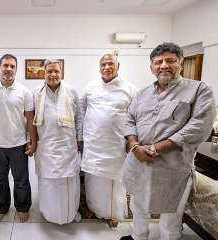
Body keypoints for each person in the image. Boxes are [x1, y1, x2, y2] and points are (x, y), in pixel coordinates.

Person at [120, 42, 216, 240]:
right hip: (139, 163)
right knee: (138, 209)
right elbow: (128, 118)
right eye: (158, 62)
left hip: (173, 169)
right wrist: (134, 145)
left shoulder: (199, 90)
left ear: (180, 63)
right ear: (152, 67)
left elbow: (199, 127)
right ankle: (139, 236)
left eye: (170, 60)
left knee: (170, 219)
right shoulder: (142, 93)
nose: (164, 65)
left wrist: (157, 148)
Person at [0, 54, 36, 223]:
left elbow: (31, 119)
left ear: (16, 70)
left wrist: (32, 142)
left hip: (18, 145)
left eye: (12, 66)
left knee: (21, 180)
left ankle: (23, 207)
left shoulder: (24, 92)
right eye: (6, 66)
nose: (8, 69)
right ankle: (1, 207)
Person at [80, 54, 136, 227]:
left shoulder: (129, 88)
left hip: (115, 144)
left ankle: (113, 214)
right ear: (99, 67)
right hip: (93, 142)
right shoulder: (90, 86)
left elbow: (135, 117)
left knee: (115, 182)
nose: (106, 67)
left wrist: (131, 141)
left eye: (110, 63)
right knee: (93, 180)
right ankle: (94, 208)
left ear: (118, 65)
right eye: (103, 64)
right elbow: (81, 112)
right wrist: (80, 138)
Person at [33, 59, 82, 224]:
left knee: (68, 182)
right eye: (49, 71)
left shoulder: (72, 91)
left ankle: (70, 213)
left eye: (56, 71)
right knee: (48, 182)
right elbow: (30, 120)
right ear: (44, 73)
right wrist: (32, 141)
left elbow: (79, 117)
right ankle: (49, 213)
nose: (53, 74)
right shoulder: (37, 93)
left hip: (67, 146)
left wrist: (80, 139)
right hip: (46, 146)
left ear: (61, 73)